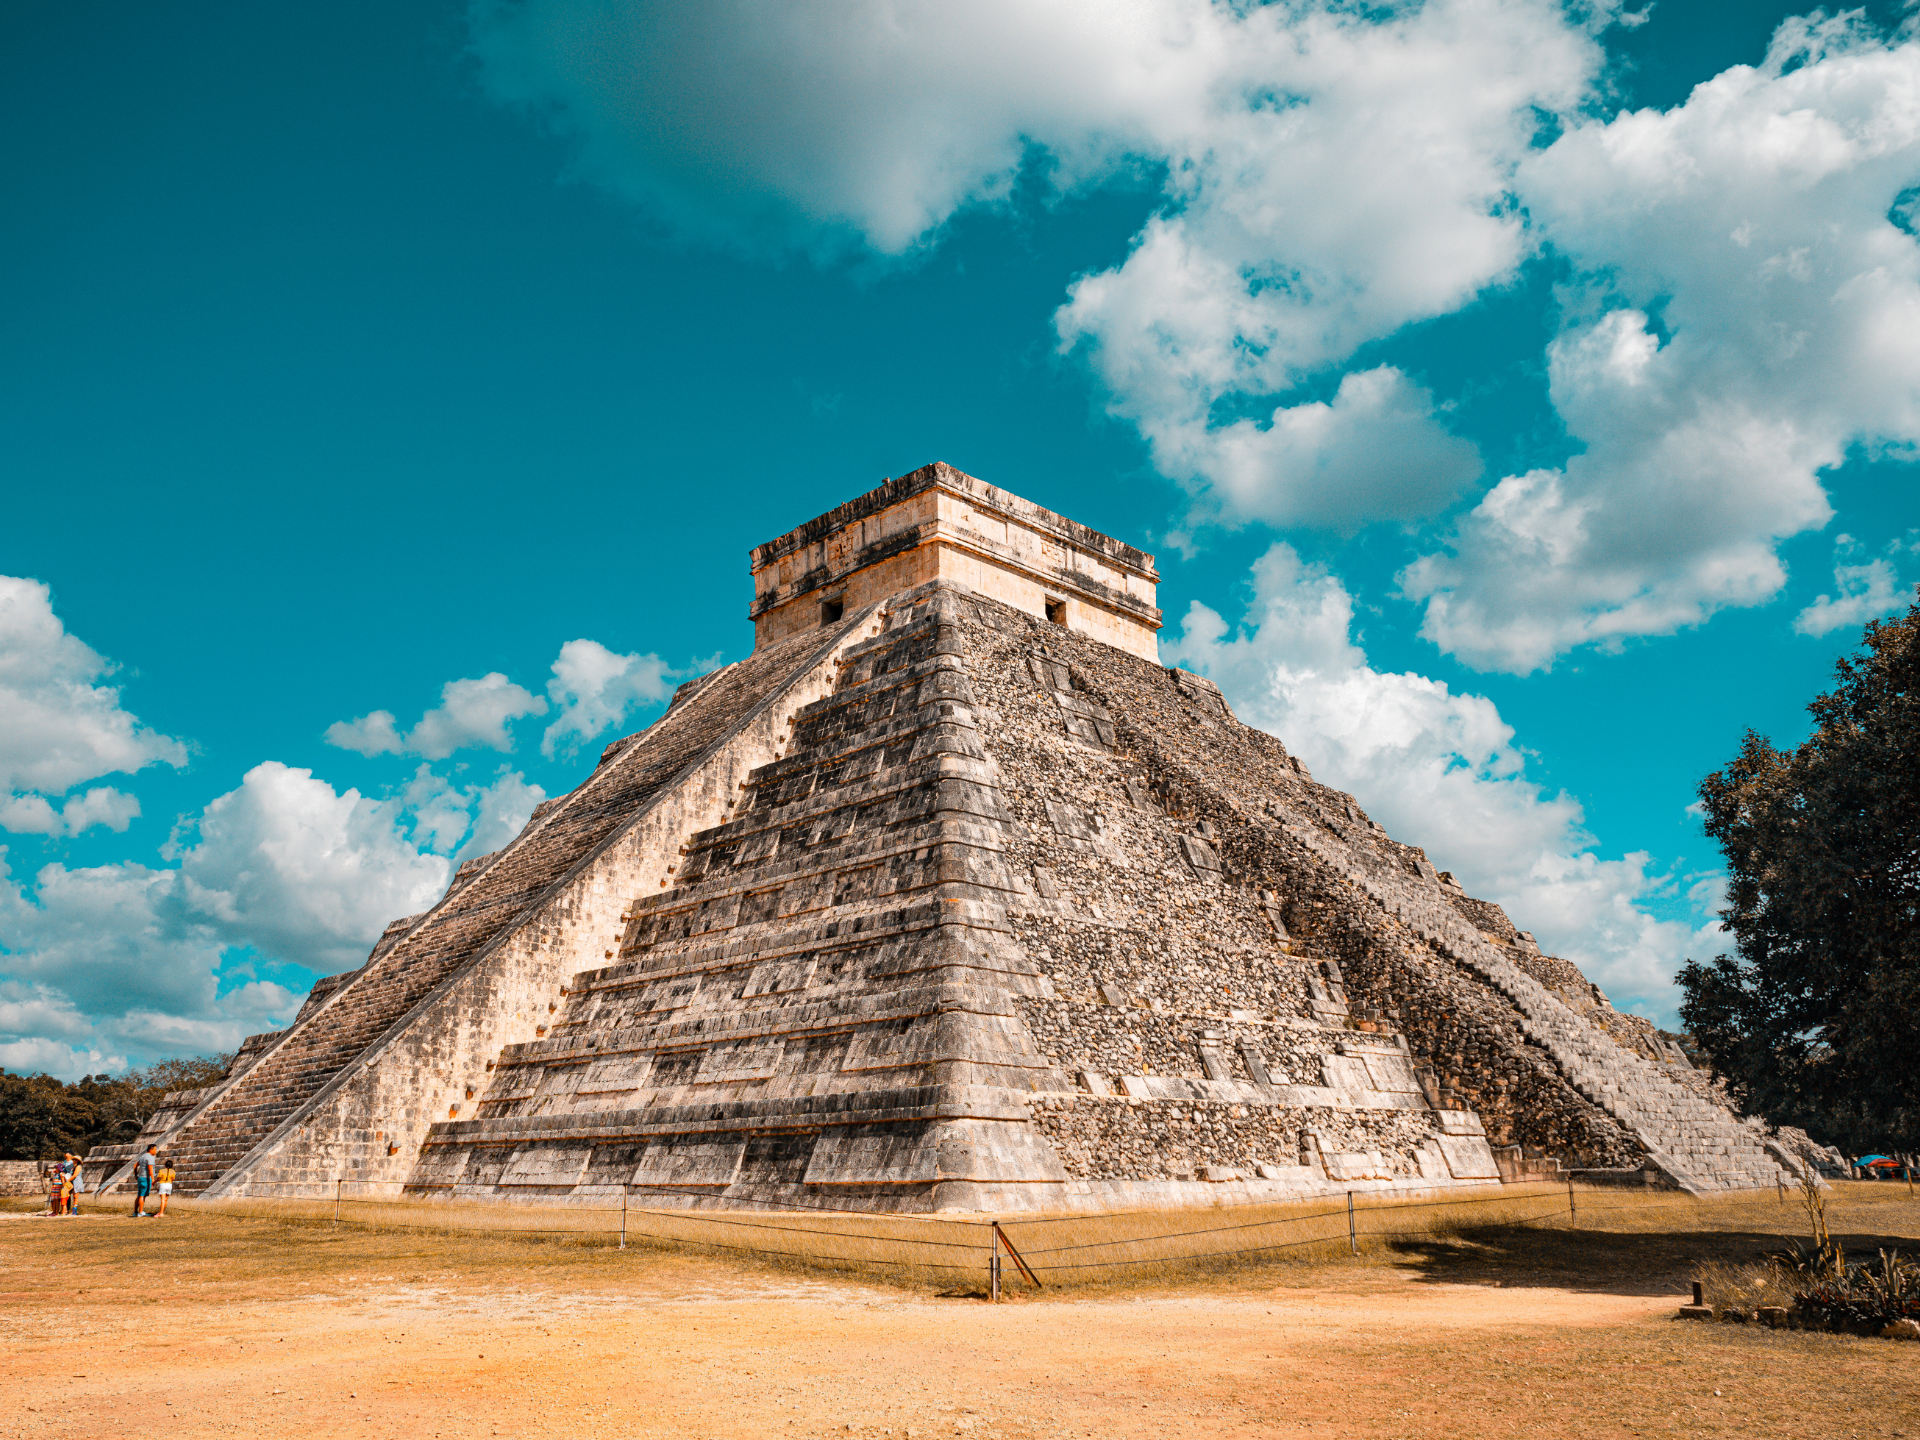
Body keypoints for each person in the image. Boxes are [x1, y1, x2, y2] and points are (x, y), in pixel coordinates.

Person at [132, 1144, 157, 1217]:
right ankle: (140, 1212)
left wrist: (136, 1175)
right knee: (143, 1195)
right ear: (150, 1150)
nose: (156, 1151)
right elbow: (150, 1169)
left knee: (140, 1195)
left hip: (140, 1177)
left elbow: (135, 1166)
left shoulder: (142, 1157)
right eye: (155, 1149)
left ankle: (135, 1212)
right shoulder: (150, 1157)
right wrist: (153, 1179)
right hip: (146, 1178)